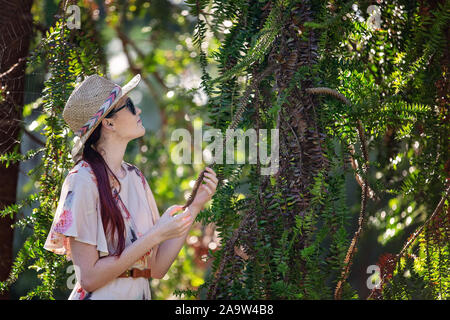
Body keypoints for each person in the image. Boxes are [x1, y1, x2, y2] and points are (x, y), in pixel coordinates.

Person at [43, 74, 218, 300]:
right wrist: (154, 235)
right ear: (109, 122)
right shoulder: (82, 180)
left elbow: (156, 268)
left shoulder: (136, 178)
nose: (139, 111)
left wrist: (194, 207)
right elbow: (88, 278)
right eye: (130, 105)